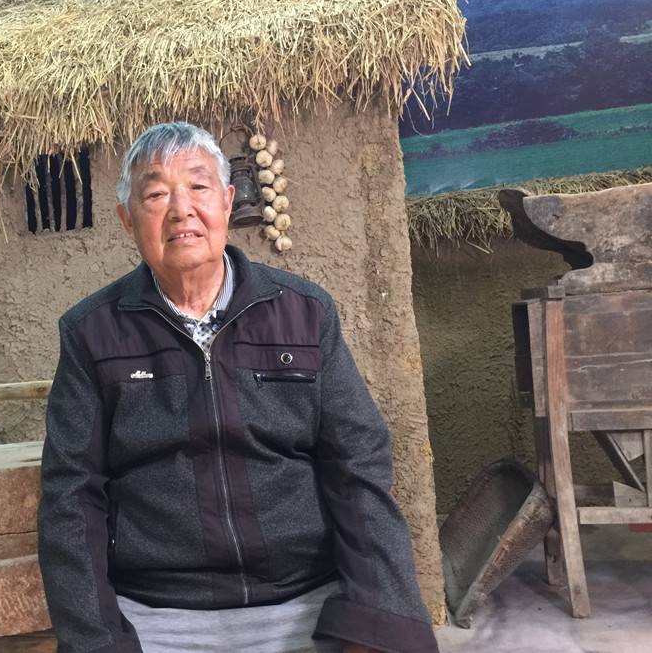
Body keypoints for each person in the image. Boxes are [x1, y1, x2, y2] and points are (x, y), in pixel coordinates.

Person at [38, 123, 438, 653]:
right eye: (156, 194)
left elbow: (358, 467)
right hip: (158, 612)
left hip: (304, 597)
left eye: (198, 186)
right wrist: (97, 641)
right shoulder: (91, 332)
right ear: (127, 220)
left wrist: (378, 618)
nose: (180, 209)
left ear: (227, 202)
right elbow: (70, 496)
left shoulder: (305, 313)